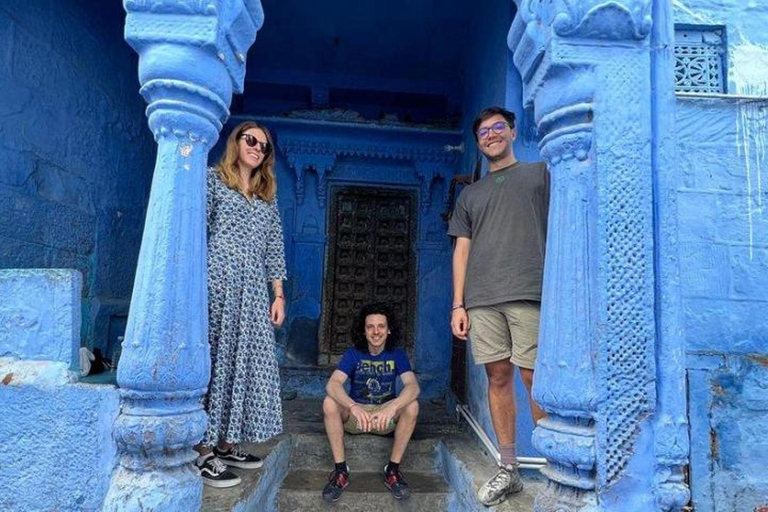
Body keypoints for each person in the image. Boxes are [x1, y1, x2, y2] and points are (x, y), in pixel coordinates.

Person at [448, 106, 549, 506]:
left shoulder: (540, 174)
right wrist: (459, 304)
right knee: (498, 378)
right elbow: (462, 250)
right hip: (483, 299)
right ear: (478, 142)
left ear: (512, 132)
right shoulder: (471, 194)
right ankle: (509, 469)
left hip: (529, 292)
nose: (491, 135)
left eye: (497, 128)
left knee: (534, 378)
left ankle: (556, 467)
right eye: (484, 132)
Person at [195, 121, 288, 488]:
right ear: (237, 142)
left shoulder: (267, 196)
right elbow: (197, 230)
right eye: (251, 140)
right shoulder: (213, 179)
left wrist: (277, 294)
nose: (257, 148)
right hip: (217, 284)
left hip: (252, 293)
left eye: (264, 146)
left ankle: (226, 443)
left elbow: (274, 247)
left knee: (246, 363)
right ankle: (202, 452)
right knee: (216, 360)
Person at [321, 303, 420, 503]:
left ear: (389, 330)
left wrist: (392, 406)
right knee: (329, 403)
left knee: (412, 405)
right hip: (358, 417)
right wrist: (352, 406)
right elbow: (333, 385)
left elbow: (413, 387)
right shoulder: (353, 354)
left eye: (381, 326)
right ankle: (340, 471)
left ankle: (392, 470)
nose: (376, 332)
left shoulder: (397, 355)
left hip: (384, 418)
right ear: (364, 331)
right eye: (370, 327)